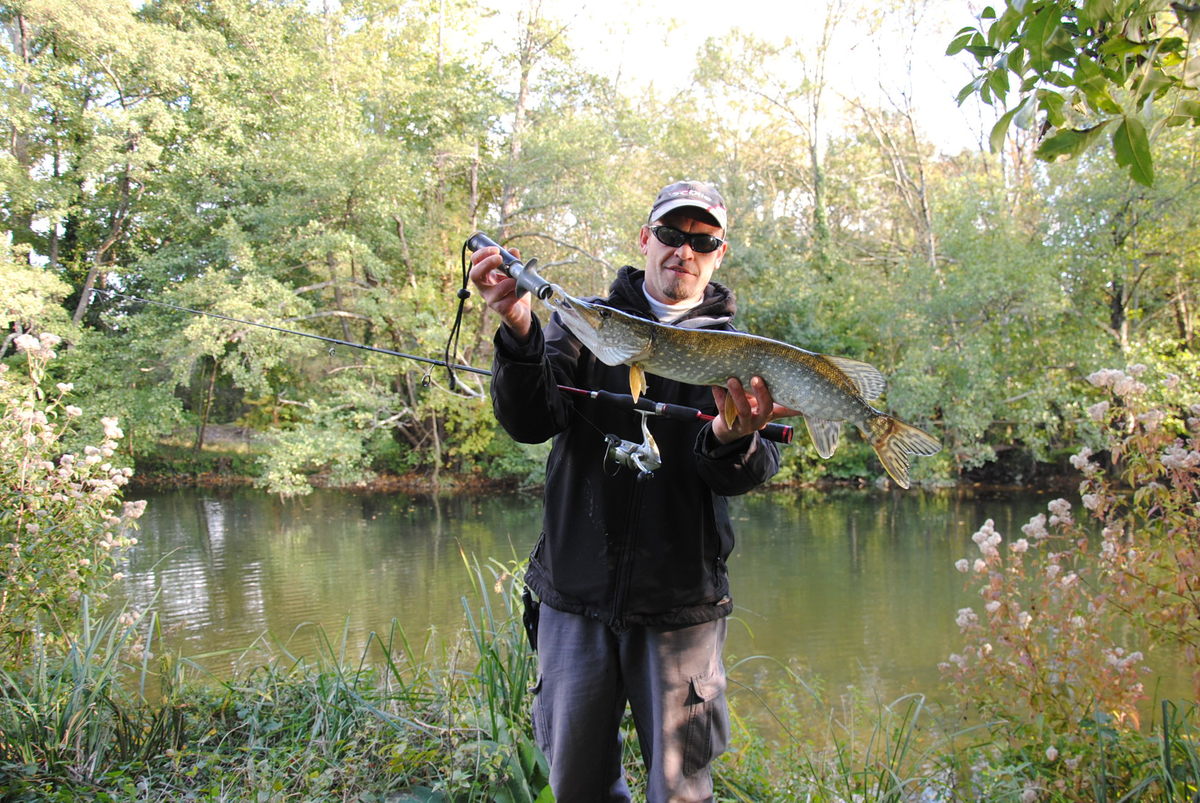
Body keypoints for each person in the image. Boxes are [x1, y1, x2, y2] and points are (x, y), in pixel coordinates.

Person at [468, 180, 793, 802]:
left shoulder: (735, 351)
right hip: (574, 594)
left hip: (680, 608)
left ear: (719, 254)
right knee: (578, 785)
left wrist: (731, 438)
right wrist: (517, 327)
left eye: (703, 241)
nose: (684, 251)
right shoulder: (584, 323)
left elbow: (745, 474)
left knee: (681, 791)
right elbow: (531, 422)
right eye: (671, 235)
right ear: (646, 239)